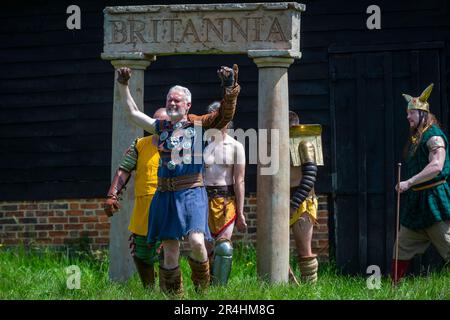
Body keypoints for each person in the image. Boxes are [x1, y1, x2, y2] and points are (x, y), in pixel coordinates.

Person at [115, 64, 240, 295]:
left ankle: (203, 292)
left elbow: (225, 115)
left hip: (192, 192)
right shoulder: (160, 127)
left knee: (196, 241)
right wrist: (123, 86)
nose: (172, 104)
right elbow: (133, 114)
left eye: (177, 101)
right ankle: (174, 296)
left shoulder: (200, 124)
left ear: (188, 105)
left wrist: (229, 86)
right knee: (170, 247)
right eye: (169, 100)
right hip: (164, 195)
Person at [103, 108, 169, 288]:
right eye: (156, 121)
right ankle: (148, 291)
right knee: (141, 250)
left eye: (164, 122)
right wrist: (112, 194)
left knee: (168, 249)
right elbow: (124, 169)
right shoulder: (139, 144)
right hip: (143, 206)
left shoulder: (180, 144)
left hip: (169, 203)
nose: (159, 125)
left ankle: (170, 292)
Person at [392, 83, 450, 284]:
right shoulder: (417, 138)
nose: (408, 117)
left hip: (435, 200)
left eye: (412, 113)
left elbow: (436, 166)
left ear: (423, 114)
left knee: (448, 246)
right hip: (417, 203)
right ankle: (393, 290)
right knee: (401, 247)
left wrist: (409, 182)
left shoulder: (433, 136)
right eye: (408, 113)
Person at [203, 101, 247, 285]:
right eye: (214, 118)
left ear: (228, 121)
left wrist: (241, 213)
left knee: (224, 247)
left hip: (226, 201)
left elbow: (239, 181)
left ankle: (219, 290)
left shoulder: (236, 147)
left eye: (221, 118)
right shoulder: (201, 147)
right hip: (202, 199)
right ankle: (204, 287)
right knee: (204, 249)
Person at [289, 111, 323, 284]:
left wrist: (294, 203)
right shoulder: (274, 144)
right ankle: (285, 284)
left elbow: (309, 177)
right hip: (281, 199)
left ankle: (310, 289)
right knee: (274, 248)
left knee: (304, 250)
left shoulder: (304, 143)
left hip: (301, 200)